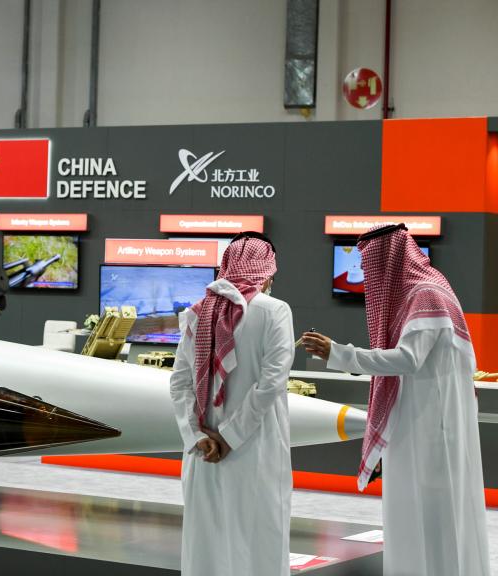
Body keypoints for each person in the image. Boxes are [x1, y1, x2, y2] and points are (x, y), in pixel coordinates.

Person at [303, 223, 490, 576]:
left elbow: (407, 359)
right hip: (423, 425)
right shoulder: (428, 290)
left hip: (431, 431)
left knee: (432, 517)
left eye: (370, 264)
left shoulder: (425, 294)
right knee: (418, 515)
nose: (367, 276)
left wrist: (340, 354)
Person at [169, 232, 295, 576]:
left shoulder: (198, 311)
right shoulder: (274, 310)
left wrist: (197, 436)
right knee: (258, 544)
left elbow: (179, 383)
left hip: (204, 452)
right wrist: (231, 436)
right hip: (255, 449)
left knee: (206, 546)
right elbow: (272, 382)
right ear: (267, 272)